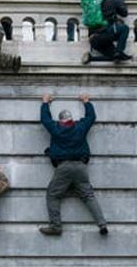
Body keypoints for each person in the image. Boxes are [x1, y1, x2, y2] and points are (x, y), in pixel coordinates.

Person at [38, 93, 107, 236]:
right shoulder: (80, 127)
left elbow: (45, 119)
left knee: (53, 195)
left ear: (61, 121)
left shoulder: (56, 128)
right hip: (81, 167)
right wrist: (86, 101)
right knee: (88, 196)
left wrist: (45, 102)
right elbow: (91, 117)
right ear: (71, 120)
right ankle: (102, 224)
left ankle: (56, 226)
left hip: (63, 167)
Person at [82, 0, 131, 64]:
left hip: (93, 38)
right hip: (105, 34)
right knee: (124, 29)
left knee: (115, 57)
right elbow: (124, 13)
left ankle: (91, 58)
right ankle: (119, 52)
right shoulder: (114, 0)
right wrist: (120, 1)